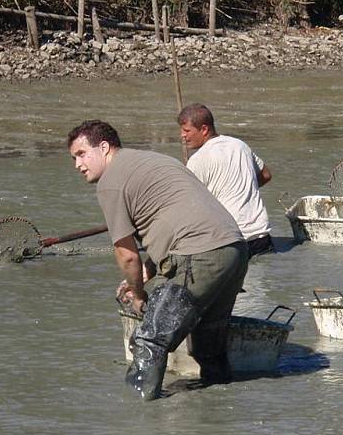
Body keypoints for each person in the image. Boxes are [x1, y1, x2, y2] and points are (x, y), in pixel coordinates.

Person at [67, 120, 249, 400]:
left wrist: (138, 294)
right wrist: (149, 271)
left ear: (104, 148)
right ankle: (218, 424)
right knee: (207, 348)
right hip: (234, 250)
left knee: (148, 340)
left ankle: (139, 421)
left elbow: (126, 255)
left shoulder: (110, 184)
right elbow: (174, 221)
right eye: (73, 158)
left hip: (199, 255)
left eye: (81, 154)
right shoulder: (153, 160)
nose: (77, 165)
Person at [177, 103, 275, 257]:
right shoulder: (239, 145)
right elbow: (266, 175)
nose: (182, 135)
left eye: (187, 131)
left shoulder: (198, 160)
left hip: (232, 240)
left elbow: (187, 205)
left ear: (204, 129)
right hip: (261, 236)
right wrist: (245, 188)